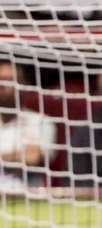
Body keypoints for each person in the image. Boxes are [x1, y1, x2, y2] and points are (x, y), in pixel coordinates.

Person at [0, 59, 57, 193]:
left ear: (23, 84)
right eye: (2, 81)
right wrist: (19, 155)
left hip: (27, 197)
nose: (6, 87)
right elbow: (27, 156)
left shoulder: (41, 122)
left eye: (12, 81)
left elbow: (34, 158)